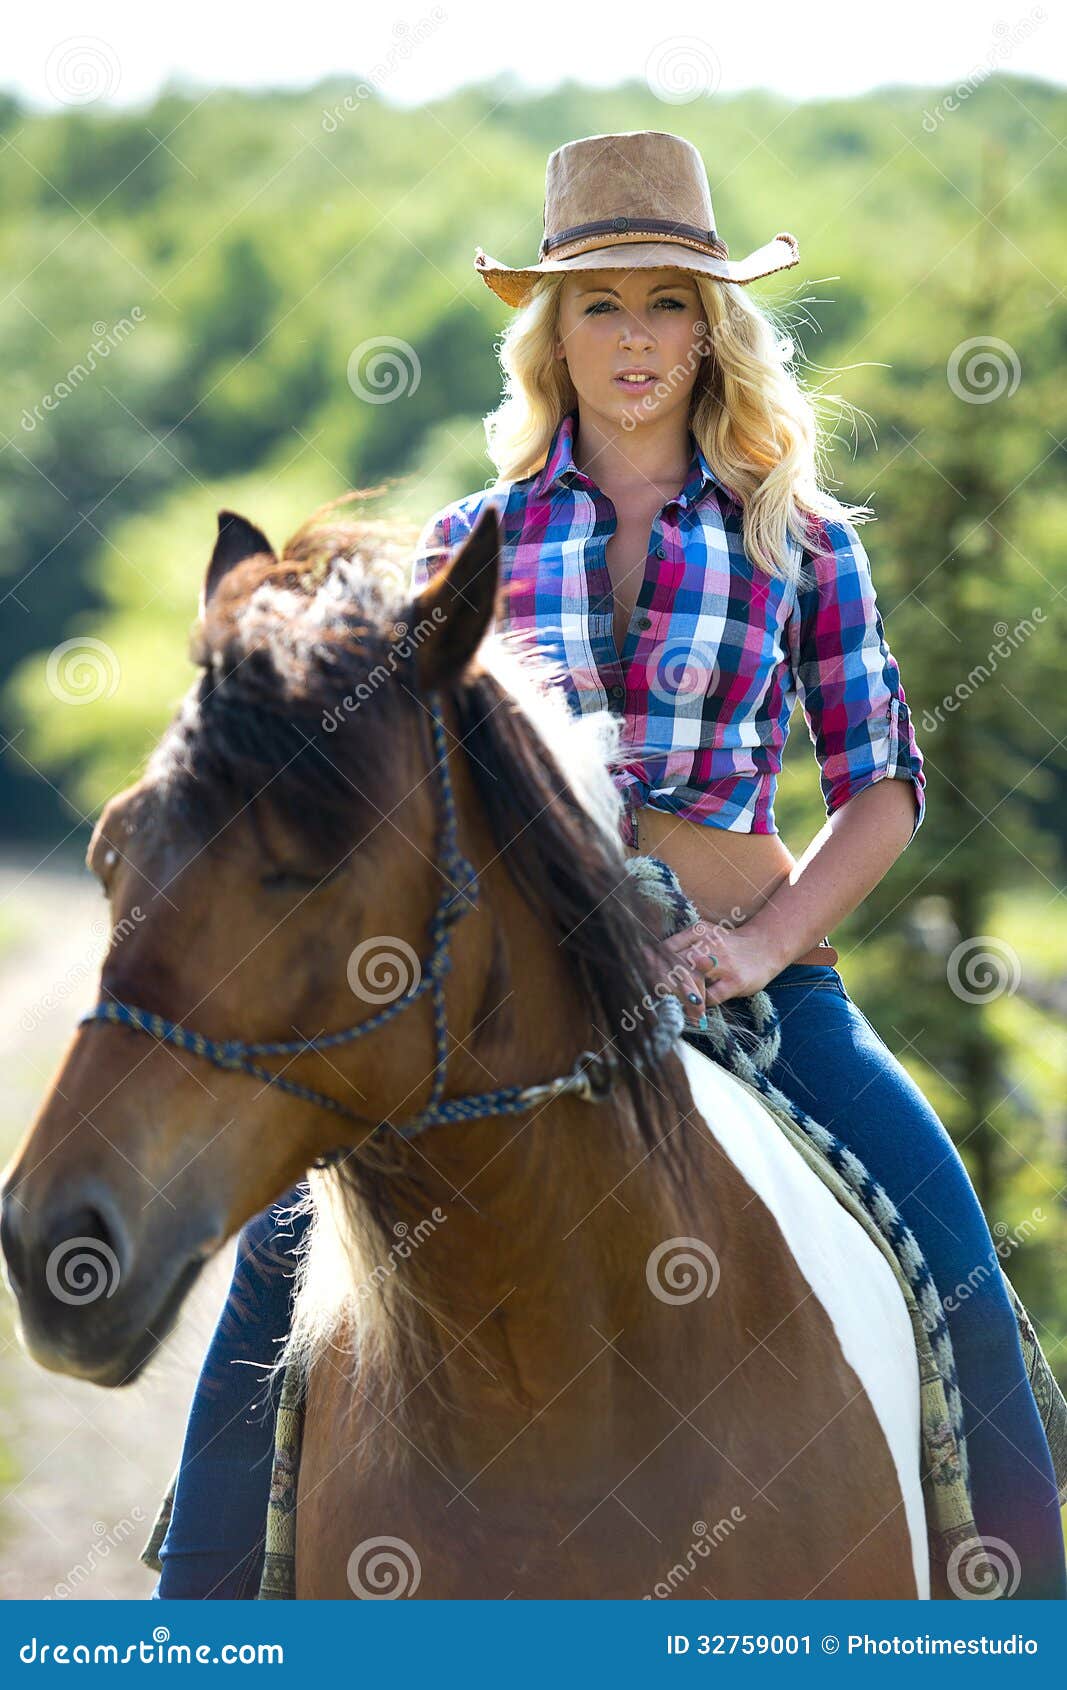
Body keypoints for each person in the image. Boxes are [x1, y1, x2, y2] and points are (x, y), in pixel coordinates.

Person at [151, 129, 1065, 1600]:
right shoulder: (471, 543)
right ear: (550, 333)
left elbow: (883, 788)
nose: (635, 338)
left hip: (752, 982)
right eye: (600, 303)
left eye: (667, 303)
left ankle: (1019, 1611)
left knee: (947, 1237)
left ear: (714, 330)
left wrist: (761, 949)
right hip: (512, 993)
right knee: (284, 1237)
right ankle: (198, 1616)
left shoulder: (802, 539)